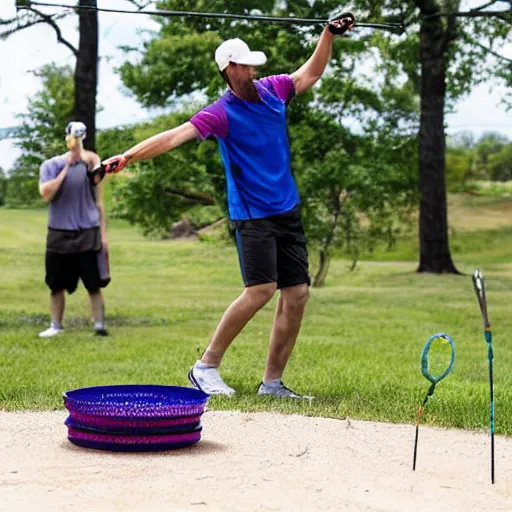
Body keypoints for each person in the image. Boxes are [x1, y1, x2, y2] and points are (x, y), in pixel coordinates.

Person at [98, 15, 355, 395]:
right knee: (261, 290)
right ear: (230, 69)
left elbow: (309, 74)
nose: (253, 70)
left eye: (253, 64)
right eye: (246, 64)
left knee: (297, 294)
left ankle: (272, 383)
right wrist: (129, 156)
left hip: (287, 209)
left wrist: (327, 35)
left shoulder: (274, 90)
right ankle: (205, 366)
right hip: (253, 216)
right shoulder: (221, 113)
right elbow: (173, 138)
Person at [39, 122, 110, 338]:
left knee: (93, 283)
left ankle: (99, 325)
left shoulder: (90, 163)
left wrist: (104, 236)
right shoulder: (51, 165)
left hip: (88, 231)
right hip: (59, 232)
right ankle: (55, 325)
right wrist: (67, 167)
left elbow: (98, 197)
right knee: (56, 284)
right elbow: (46, 194)